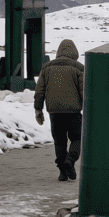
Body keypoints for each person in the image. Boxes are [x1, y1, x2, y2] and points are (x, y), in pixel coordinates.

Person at [34, 39, 84, 181]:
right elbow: (84, 91)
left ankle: (63, 172)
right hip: (73, 112)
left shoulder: (46, 67)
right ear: (74, 52)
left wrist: (38, 110)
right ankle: (70, 160)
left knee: (59, 141)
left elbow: (39, 91)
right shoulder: (79, 68)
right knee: (77, 138)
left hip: (54, 112)